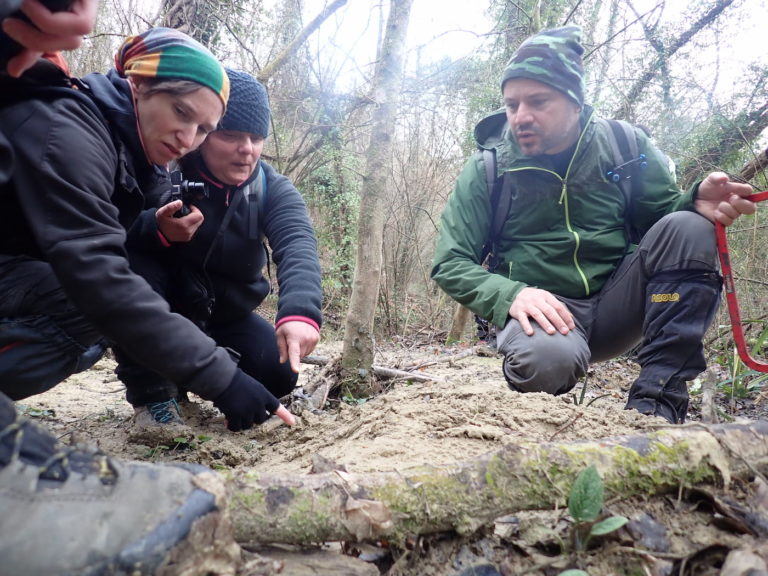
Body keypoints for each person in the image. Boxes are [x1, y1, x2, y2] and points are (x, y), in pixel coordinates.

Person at [0, 15, 242, 574]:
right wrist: (222, 380)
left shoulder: (142, 153)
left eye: (204, 129)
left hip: (20, 270)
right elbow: (96, 270)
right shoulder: (71, 129)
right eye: (182, 113)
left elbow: (83, 229)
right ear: (137, 85)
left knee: (90, 324)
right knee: (86, 312)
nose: (189, 139)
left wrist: (155, 229)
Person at [431, 26, 756, 424]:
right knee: (547, 362)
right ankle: (538, 410)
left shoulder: (624, 145)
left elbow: (663, 225)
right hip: (545, 321)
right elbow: (450, 262)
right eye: (512, 104)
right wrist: (510, 296)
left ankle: (658, 400)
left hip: (618, 305)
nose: (521, 117)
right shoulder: (489, 167)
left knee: (691, 227)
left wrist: (692, 202)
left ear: (575, 100)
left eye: (538, 102)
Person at [115, 68, 322, 439]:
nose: (247, 150)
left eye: (256, 138)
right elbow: (104, 237)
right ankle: (154, 396)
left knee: (278, 373)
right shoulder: (162, 167)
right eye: (230, 136)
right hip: (159, 310)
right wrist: (155, 230)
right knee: (136, 266)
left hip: (225, 316)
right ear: (205, 134)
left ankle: (204, 373)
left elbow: (298, 242)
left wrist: (300, 313)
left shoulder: (271, 188)